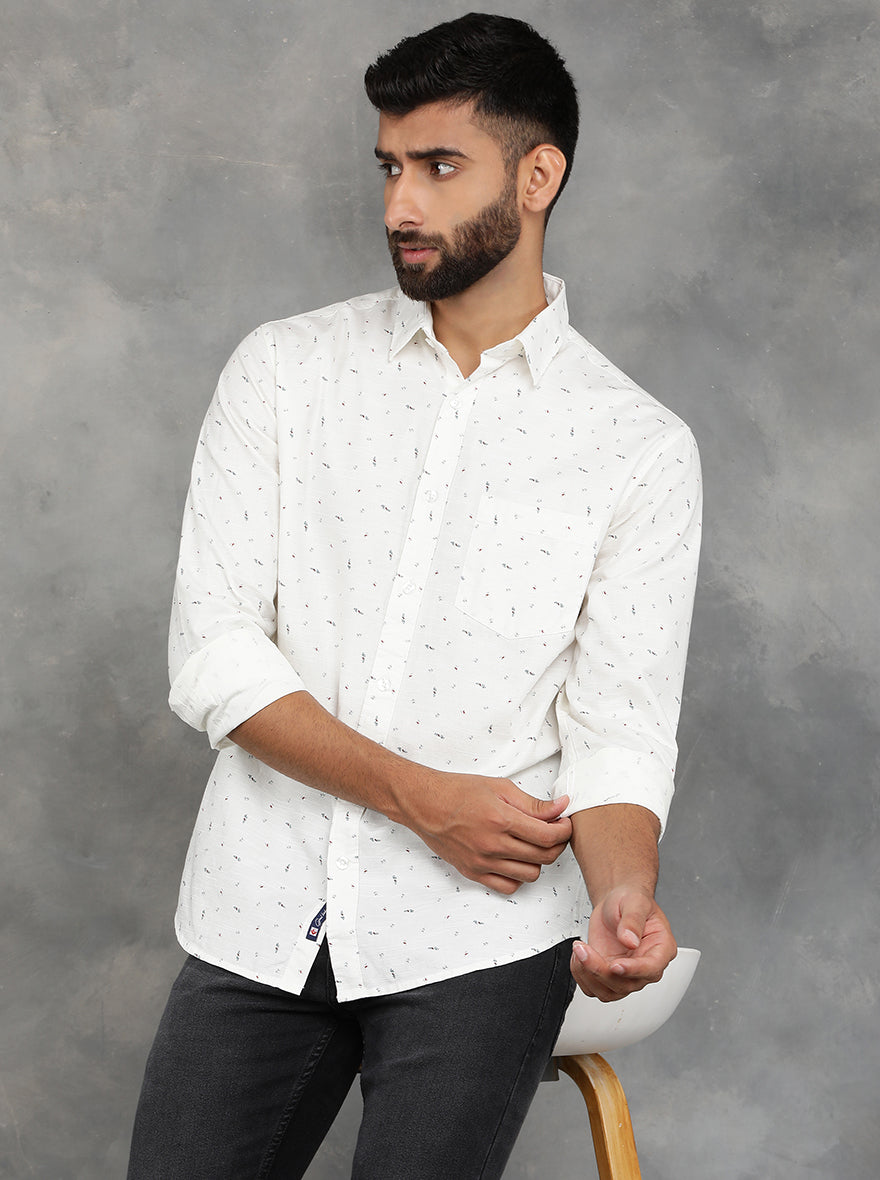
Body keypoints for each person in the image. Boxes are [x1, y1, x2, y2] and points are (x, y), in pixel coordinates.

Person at [128, 12, 701, 1179]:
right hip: (260, 907)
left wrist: (622, 892)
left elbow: (618, 729)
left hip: (481, 936)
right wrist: (422, 799)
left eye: (440, 167)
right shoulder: (284, 371)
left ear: (537, 177)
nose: (400, 203)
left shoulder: (637, 447)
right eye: (389, 165)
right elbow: (216, 654)